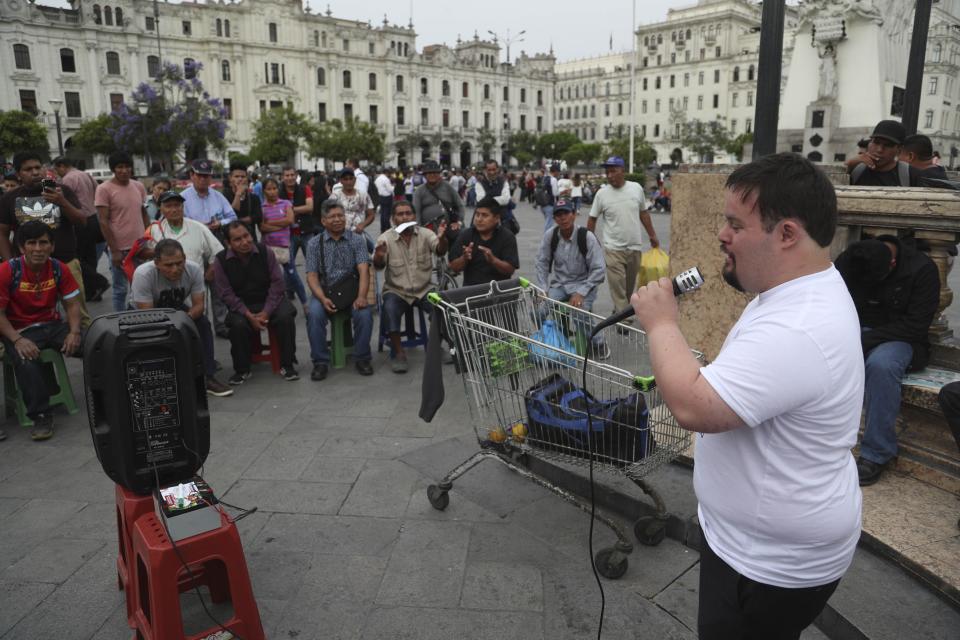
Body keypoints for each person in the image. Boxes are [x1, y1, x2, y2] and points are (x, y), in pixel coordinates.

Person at [629, 153, 863, 640]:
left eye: (736, 223)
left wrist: (662, 323)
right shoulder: (794, 290)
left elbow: (694, 406)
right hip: (752, 546)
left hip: (768, 565)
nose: (722, 235)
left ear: (787, 234)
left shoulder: (800, 325)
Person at [835, 237, 940, 485]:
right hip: (855, 329)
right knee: (818, 353)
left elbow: (915, 326)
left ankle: (876, 453)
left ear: (892, 263)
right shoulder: (852, 261)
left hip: (900, 337)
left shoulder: (922, 269)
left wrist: (865, 340)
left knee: (881, 366)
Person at [0, 221, 83, 440]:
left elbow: (72, 304)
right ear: (21, 248)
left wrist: (74, 332)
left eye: (43, 243)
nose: (38, 248)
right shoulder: (8, 271)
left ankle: (107, 395)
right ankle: (41, 415)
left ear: (51, 246)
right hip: (17, 330)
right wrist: (17, 340)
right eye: (32, 243)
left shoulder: (58, 268)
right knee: (27, 359)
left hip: (51, 325)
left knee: (97, 343)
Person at [131, 238, 233, 396]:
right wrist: (175, 325)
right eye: (168, 265)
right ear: (157, 263)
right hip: (144, 312)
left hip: (176, 309)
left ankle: (207, 376)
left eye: (179, 263)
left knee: (203, 324)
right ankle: (157, 380)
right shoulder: (143, 274)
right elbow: (148, 314)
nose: (175, 269)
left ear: (185, 258)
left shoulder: (193, 269)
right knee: (151, 337)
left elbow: (199, 305)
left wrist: (185, 319)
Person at [0, 151, 89, 328]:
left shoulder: (61, 191)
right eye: (28, 169)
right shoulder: (10, 198)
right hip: (26, 270)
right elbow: (2, 233)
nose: (35, 172)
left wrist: (62, 201)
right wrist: (10, 263)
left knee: (81, 318)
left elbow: (82, 221)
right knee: (29, 319)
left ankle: (85, 348)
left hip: (66, 263)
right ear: (18, 174)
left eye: (38, 167)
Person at [213, 221, 299, 383]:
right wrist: (248, 314)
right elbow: (226, 293)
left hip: (270, 300)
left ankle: (287, 364)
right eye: (237, 239)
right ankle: (242, 369)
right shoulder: (221, 260)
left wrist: (266, 311)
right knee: (237, 325)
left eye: (247, 236)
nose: (245, 242)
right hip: (242, 305)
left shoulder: (265, 252)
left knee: (285, 317)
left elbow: (277, 284)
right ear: (228, 243)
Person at [373, 199, 447, 373]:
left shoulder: (426, 234)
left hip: (424, 288)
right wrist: (378, 255)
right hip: (396, 289)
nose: (405, 216)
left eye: (408, 213)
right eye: (400, 214)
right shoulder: (385, 238)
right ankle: (399, 353)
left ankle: (436, 346)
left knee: (443, 307)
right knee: (390, 309)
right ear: (393, 219)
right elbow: (378, 266)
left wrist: (443, 239)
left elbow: (440, 250)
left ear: (414, 216)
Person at [305, 200, 374, 381]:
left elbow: (364, 270)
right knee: (313, 314)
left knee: (364, 314)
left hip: (351, 291)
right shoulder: (314, 243)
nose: (337, 220)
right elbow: (311, 276)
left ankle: (362, 358)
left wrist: (361, 296)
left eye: (340, 216)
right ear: (323, 221)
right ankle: (320, 361)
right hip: (325, 292)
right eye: (332, 217)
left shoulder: (357, 240)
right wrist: (321, 298)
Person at [587, 156, 660, 326]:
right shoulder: (602, 194)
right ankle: (624, 318)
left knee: (628, 286)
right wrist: (592, 242)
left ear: (622, 170)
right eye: (607, 171)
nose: (609, 175)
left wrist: (652, 235)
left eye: (613, 171)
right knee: (617, 284)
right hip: (613, 248)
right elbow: (592, 219)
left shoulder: (636, 189)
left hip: (634, 246)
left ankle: (620, 309)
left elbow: (644, 213)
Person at [534, 197, 608, 358]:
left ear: (574, 215)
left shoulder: (586, 236)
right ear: (554, 218)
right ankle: (556, 335)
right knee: (538, 311)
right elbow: (542, 263)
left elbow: (599, 269)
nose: (562, 217)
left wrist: (581, 292)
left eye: (566, 213)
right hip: (559, 285)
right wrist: (543, 288)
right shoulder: (550, 235)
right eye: (558, 214)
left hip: (584, 284)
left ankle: (599, 342)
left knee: (578, 312)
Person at [180, 159, 236, 336]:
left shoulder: (217, 196)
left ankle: (220, 325)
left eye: (207, 176)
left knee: (218, 287)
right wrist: (199, 226)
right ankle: (199, 324)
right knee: (197, 288)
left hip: (215, 241)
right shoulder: (184, 197)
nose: (204, 179)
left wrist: (220, 222)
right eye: (200, 176)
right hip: (193, 243)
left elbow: (232, 216)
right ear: (192, 176)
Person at [95, 151, 149, 312]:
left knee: (140, 288)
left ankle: (139, 318)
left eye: (127, 167)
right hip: (120, 249)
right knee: (120, 290)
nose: (124, 170)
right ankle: (120, 322)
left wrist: (148, 238)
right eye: (120, 167)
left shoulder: (138, 186)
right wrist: (115, 250)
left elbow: (144, 213)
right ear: (113, 169)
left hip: (140, 247)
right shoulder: (104, 189)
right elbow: (103, 221)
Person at [139, 191, 224, 275]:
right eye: (168, 206)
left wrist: (209, 274)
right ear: (160, 209)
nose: (174, 210)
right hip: (164, 284)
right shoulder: (154, 229)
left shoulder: (198, 227)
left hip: (194, 283)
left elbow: (218, 252)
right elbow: (142, 254)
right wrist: (159, 251)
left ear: (182, 207)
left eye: (177, 205)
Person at [448, 198, 518, 287]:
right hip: (471, 293)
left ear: (496, 218)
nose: (479, 219)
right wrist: (464, 258)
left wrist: (493, 260)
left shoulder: (507, 237)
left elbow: (510, 270)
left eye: (484, 215)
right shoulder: (466, 235)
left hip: (500, 293)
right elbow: (453, 267)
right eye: (477, 215)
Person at [259, 177, 306, 306]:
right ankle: (276, 304)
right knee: (272, 278)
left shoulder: (285, 203)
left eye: (274, 188)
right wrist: (282, 224)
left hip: (285, 246)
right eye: (269, 189)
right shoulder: (262, 207)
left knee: (292, 275)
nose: (272, 192)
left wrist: (271, 224)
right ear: (264, 191)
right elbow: (262, 227)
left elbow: (290, 220)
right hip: (268, 247)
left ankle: (305, 302)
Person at [846, 120, 920, 187]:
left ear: (899, 150)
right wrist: (849, 164)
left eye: (888, 145)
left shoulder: (910, 175)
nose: (879, 150)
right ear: (869, 143)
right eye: (876, 142)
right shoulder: (856, 170)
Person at [279, 167, 315, 297]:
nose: (290, 177)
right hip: (287, 234)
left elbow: (310, 207)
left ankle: (316, 291)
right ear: (283, 177)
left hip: (306, 232)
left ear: (296, 176)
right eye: (287, 175)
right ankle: (289, 290)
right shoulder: (278, 192)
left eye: (292, 175)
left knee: (313, 264)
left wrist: (289, 209)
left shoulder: (304, 189)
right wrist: (300, 209)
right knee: (288, 266)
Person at [413, 161, 464, 237]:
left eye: (435, 172)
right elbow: (416, 212)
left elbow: (460, 205)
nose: (432, 175)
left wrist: (459, 222)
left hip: (449, 227)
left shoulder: (447, 187)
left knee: (462, 236)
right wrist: (418, 229)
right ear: (425, 175)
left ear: (439, 174)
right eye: (429, 173)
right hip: (427, 229)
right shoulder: (419, 191)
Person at [328, 168, 376, 237]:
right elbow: (327, 215)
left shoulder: (363, 195)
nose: (349, 182)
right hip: (340, 235)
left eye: (351, 179)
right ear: (341, 181)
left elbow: (371, 214)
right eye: (345, 179)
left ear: (355, 179)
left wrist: (363, 225)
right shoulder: (335, 196)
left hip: (358, 235)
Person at [222, 162, 263, 241]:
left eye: (243, 176)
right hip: (231, 240)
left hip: (250, 239)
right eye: (236, 176)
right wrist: (238, 194)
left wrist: (236, 221)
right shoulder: (224, 197)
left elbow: (258, 217)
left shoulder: (254, 198)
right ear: (230, 178)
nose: (240, 179)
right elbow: (230, 214)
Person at [539, 164, 561, 230]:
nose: (559, 173)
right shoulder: (553, 179)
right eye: (558, 172)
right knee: (549, 224)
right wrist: (561, 192)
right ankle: (547, 239)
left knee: (547, 221)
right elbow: (555, 193)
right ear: (556, 171)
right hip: (550, 203)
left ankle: (548, 237)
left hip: (543, 203)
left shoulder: (544, 178)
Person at [375, 168, 394, 233]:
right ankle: (387, 227)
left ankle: (383, 228)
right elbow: (390, 189)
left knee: (383, 213)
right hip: (387, 197)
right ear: (387, 173)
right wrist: (393, 187)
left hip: (380, 196)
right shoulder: (386, 179)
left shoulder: (377, 179)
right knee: (387, 213)